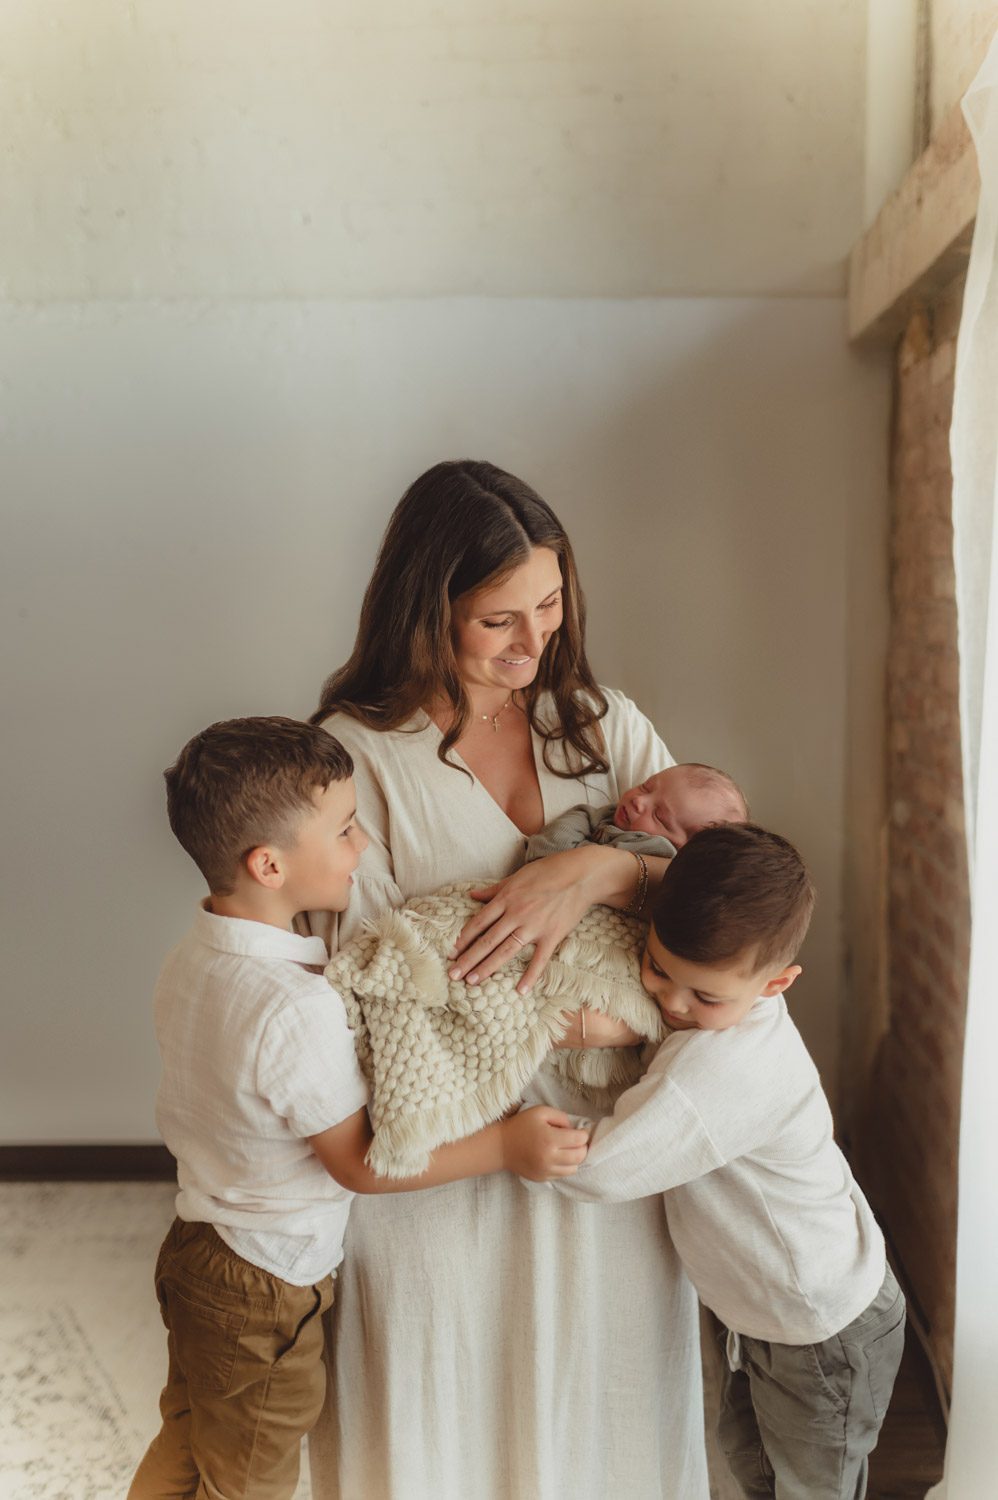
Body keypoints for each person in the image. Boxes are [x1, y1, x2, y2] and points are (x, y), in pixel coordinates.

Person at [303, 459, 710, 1500]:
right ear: (421, 607)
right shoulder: (355, 757)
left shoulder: (603, 727)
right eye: (498, 622)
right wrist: (539, 1018)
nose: (533, 646)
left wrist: (600, 869)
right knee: (439, 1428)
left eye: (549, 605)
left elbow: (720, 895)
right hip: (446, 1151)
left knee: (601, 1416)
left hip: (599, 1146)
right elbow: (357, 977)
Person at [129, 716, 588, 1500]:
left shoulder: (192, 959)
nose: (363, 847)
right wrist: (505, 1146)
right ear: (269, 864)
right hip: (266, 1282)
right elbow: (360, 1164)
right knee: (252, 1480)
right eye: (344, 830)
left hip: (198, 1247)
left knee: (194, 1436)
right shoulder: (292, 1009)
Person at [552, 823, 906, 1500]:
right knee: (754, 1466)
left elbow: (602, 1167)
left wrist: (524, 1137)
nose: (672, 1003)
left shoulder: (723, 1067)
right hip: (771, 1314)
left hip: (825, 1327)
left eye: (705, 997)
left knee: (812, 1487)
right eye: (657, 968)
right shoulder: (714, 1023)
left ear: (778, 983)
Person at [523, 761, 749, 862]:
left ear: (686, 849)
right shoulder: (611, 817)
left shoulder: (655, 852)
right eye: (646, 786)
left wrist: (579, 824)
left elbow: (552, 857)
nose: (639, 801)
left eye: (659, 815)